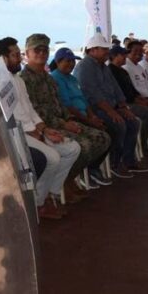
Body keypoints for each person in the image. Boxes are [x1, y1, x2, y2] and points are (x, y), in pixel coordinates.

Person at [0, 37, 80, 218]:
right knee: (53, 157)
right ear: (3, 59)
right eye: (16, 55)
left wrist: (44, 129)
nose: (20, 58)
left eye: (19, 54)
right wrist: (36, 131)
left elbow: (30, 110)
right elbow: (9, 117)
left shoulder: (18, 80)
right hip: (17, 134)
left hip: (34, 129)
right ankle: (40, 204)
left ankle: (49, 193)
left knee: (72, 149)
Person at [20, 33, 111, 193]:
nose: (42, 53)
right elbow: (36, 112)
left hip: (62, 122)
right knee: (83, 145)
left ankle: (70, 177)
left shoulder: (48, 79)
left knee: (102, 138)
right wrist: (64, 124)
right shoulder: (24, 80)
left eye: (44, 50)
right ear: (27, 54)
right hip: (44, 127)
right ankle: (63, 184)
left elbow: (60, 105)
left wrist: (70, 120)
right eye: (37, 50)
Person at [73, 34, 146, 178]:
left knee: (133, 122)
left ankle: (128, 161)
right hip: (95, 109)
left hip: (110, 106)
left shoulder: (103, 66)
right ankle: (114, 163)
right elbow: (92, 94)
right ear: (93, 50)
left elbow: (115, 87)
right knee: (119, 125)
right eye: (104, 49)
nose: (107, 52)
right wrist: (112, 112)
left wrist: (122, 106)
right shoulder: (85, 66)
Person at [108, 45, 148, 157]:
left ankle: (145, 140)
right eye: (122, 55)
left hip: (131, 101)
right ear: (114, 56)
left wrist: (141, 99)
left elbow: (132, 90)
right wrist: (138, 102)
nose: (125, 57)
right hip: (123, 104)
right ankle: (141, 143)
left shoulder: (123, 71)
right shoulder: (110, 71)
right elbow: (120, 94)